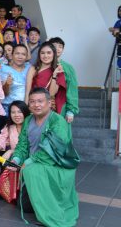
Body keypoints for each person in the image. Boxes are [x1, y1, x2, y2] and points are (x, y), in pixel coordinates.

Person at [8, 88, 79, 227]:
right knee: (26, 207)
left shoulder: (57, 121)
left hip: (56, 165)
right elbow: (22, 145)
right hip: (35, 163)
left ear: (49, 102)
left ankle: (49, 215)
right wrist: (16, 160)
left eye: (40, 101)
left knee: (31, 170)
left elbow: (52, 150)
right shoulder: (28, 120)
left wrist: (29, 162)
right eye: (32, 102)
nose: (36, 105)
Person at [25, 42, 67, 115]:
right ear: (39, 55)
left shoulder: (58, 70)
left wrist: (54, 75)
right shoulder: (33, 69)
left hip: (48, 107)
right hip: (33, 105)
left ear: (53, 54)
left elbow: (51, 94)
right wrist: (26, 107)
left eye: (49, 53)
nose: (45, 56)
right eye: (42, 53)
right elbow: (27, 91)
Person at [49, 37, 79, 123]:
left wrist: (71, 110)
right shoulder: (44, 65)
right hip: (43, 105)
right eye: (54, 46)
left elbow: (72, 89)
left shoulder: (68, 68)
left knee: (61, 132)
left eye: (60, 46)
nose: (57, 49)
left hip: (62, 105)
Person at [0, 44, 31, 113]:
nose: (20, 57)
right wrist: (7, 84)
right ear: (12, 55)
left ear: (26, 57)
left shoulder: (30, 68)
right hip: (7, 107)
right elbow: (3, 94)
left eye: (23, 54)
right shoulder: (3, 68)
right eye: (17, 53)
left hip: (25, 107)